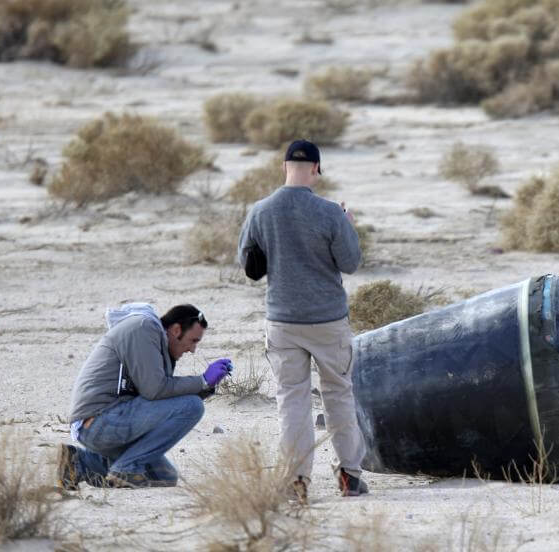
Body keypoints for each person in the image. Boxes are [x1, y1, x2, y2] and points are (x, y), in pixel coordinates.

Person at [238, 139, 368, 501]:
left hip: (282, 320)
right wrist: (348, 225)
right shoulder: (329, 212)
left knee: (292, 401)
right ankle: (350, 476)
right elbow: (350, 263)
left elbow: (249, 266)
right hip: (328, 319)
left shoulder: (260, 211)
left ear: (284, 167)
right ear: (316, 169)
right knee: (339, 394)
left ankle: (297, 481)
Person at [58, 303, 233, 489]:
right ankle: (125, 469)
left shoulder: (157, 342)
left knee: (163, 477)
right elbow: (154, 390)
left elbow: (163, 398)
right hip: (97, 422)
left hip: (111, 421)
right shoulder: (143, 328)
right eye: (193, 340)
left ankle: (79, 463)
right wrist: (202, 380)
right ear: (175, 330)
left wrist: (207, 387)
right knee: (193, 406)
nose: (192, 349)